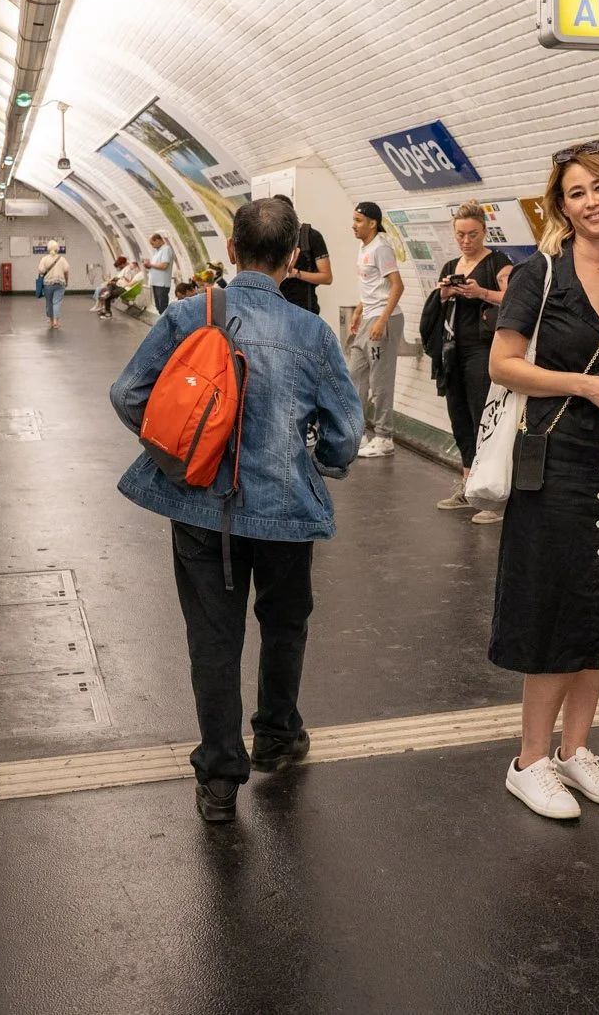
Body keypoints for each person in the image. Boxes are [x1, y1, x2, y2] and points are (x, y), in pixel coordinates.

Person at [109, 198, 363, 824]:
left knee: (213, 637)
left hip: (199, 508)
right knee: (285, 623)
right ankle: (276, 735)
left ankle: (220, 779)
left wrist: (178, 449)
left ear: (229, 250)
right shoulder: (312, 333)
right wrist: (318, 460)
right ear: (294, 257)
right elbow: (345, 437)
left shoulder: (189, 314)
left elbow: (127, 393)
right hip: (283, 510)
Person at [487, 142, 599, 820]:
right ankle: (529, 760)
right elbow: (505, 364)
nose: (590, 201)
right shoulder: (540, 275)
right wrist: (582, 383)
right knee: (556, 603)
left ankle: (575, 751)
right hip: (556, 454)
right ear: (560, 206)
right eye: (575, 192)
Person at [433, 203, 512, 525]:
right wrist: (445, 292)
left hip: (483, 348)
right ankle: (468, 484)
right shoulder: (452, 264)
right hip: (454, 350)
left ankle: (492, 495)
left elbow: (511, 299)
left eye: (473, 235)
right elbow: (436, 306)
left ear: (484, 231)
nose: (466, 241)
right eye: (461, 235)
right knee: (460, 418)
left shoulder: (498, 263)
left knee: (483, 418)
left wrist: (481, 292)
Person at [346, 201, 405, 458]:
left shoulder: (381, 248)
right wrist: (359, 309)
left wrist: (382, 319)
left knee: (380, 381)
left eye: (359, 220)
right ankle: (358, 432)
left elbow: (397, 286)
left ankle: (384, 437)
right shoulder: (363, 247)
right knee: (354, 375)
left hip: (384, 320)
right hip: (368, 317)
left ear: (372, 223)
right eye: (354, 219)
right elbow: (372, 286)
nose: (354, 225)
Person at [275, 194, 333, 313]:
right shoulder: (274, 237)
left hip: (304, 308)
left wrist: (295, 273)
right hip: (278, 308)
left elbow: (327, 277)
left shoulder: (311, 237)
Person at [37, 241, 71, 329]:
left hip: (48, 284)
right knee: (57, 302)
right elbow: (66, 272)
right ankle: (56, 322)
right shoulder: (62, 259)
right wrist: (66, 282)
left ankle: (51, 322)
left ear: (48, 248)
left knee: (49, 302)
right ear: (57, 249)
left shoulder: (44, 259)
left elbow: (41, 271)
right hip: (60, 283)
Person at [146, 233, 176, 312]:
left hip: (162, 284)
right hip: (156, 283)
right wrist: (148, 266)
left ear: (158, 240)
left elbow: (164, 266)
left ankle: (166, 323)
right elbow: (155, 265)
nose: (152, 246)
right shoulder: (158, 251)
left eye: (152, 243)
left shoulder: (166, 249)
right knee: (159, 307)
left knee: (163, 307)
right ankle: (162, 322)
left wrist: (150, 265)